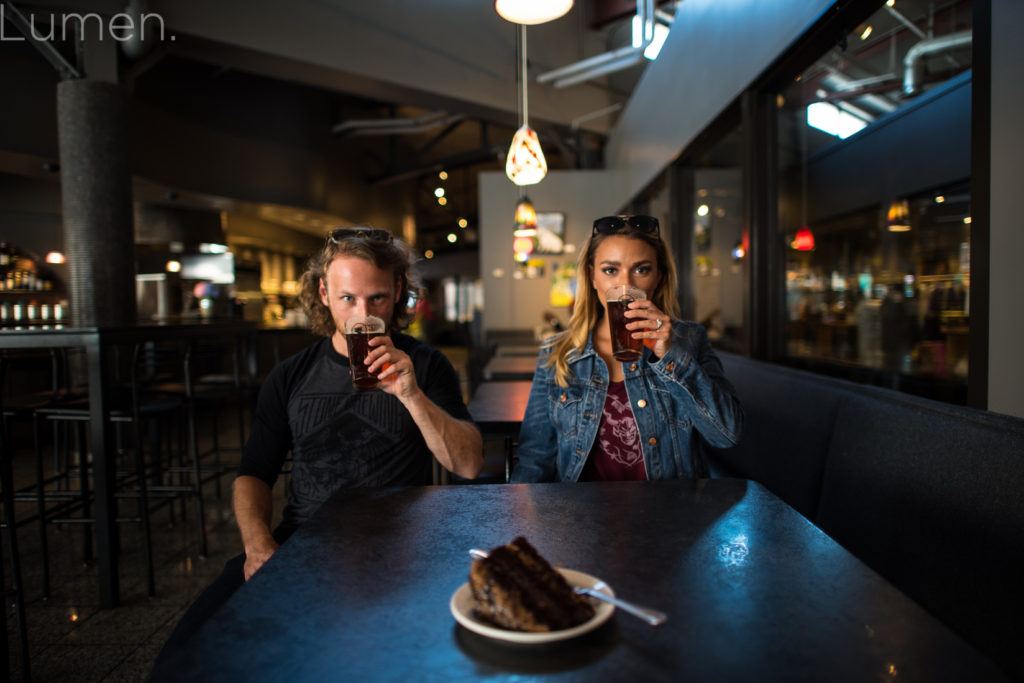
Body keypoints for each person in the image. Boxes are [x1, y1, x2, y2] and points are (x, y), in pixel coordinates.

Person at [154, 227, 482, 666]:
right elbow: (254, 473)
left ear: (399, 291)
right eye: (348, 298)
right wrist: (258, 546)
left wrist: (410, 394)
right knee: (184, 659)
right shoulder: (290, 376)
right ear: (324, 293)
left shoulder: (424, 364)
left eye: (378, 299)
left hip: (402, 548)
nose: (362, 314)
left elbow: (469, 465)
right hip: (303, 543)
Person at [510, 215, 742, 483]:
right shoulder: (557, 352)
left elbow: (726, 435)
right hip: (582, 517)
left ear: (659, 277)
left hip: (672, 515)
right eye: (610, 270)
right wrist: (520, 522)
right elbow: (535, 457)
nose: (626, 286)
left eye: (641, 269)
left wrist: (669, 356)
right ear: (591, 277)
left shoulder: (689, 340)